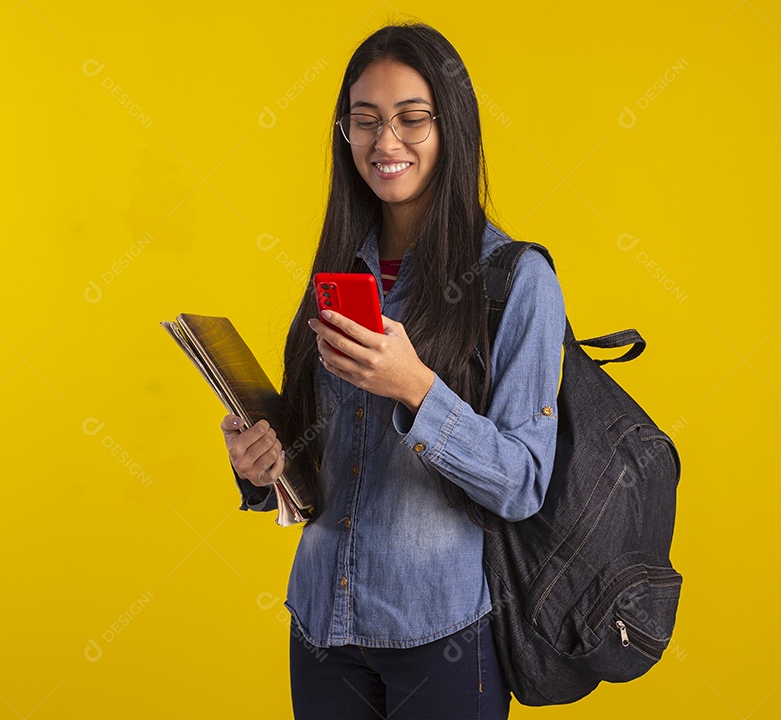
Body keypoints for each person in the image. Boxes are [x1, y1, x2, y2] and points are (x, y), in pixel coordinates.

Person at [220, 21, 566, 719]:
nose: (386, 143)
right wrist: (261, 464)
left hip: (439, 632)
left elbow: (524, 480)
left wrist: (416, 387)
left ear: (453, 130)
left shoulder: (516, 280)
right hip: (321, 626)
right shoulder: (339, 272)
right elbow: (319, 457)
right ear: (344, 134)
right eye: (365, 121)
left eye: (412, 119)